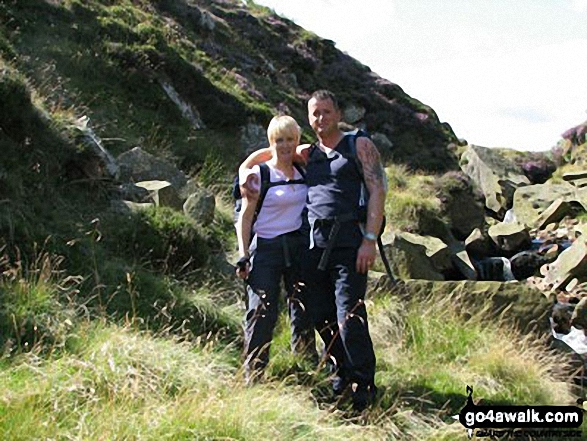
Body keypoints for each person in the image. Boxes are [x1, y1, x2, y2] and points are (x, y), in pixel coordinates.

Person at [241, 90, 387, 411]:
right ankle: (340, 375)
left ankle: (364, 387)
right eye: (315, 113)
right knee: (320, 315)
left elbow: (377, 190)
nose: (321, 118)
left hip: (351, 244)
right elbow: (261, 157)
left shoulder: (358, 145)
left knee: (349, 316)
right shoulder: (306, 152)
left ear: (338, 113)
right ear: (309, 118)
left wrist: (369, 240)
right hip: (315, 246)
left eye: (326, 112)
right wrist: (244, 176)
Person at [235, 115, 316, 383]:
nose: (284, 146)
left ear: (297, 140)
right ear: (271, 142)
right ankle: (254, 377)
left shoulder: (303, 171)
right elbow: (244, 219)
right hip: (266, 249)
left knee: (303, 308)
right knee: (262, 312)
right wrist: (243, 255)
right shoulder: (259, 175)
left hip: (296, 247)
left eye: (290, 139)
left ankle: (305, 367)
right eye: (278, 140)